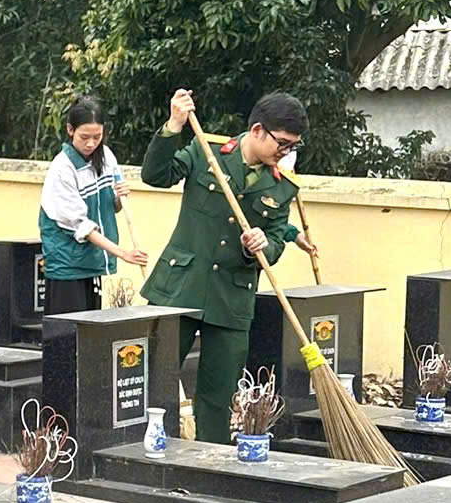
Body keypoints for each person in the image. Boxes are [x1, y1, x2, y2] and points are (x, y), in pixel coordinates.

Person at [140, 87, 305, 443]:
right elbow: (155, 175)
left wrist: (262, 245)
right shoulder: (206, 151)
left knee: (218, 397)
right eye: (282, 143)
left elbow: (276, 243)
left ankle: (210, 461)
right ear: (258, 130)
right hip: (181, 286)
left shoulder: (282, 188)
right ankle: (144, 452)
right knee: (154, 379)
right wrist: (174, 124)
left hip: (232, 297)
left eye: (292, 146)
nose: (285, 152)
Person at [37, 96, 147, 316]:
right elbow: (82, 227)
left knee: (90, 329)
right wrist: (123, 254)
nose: (90, 143)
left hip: (92, 261)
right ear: (70, 130)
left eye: (97, 137)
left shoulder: (107, 157)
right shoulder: (62, 169)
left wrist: (119, 197)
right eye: (84, 137)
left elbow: (112, 208)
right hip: (67, 264)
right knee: (67, 331)